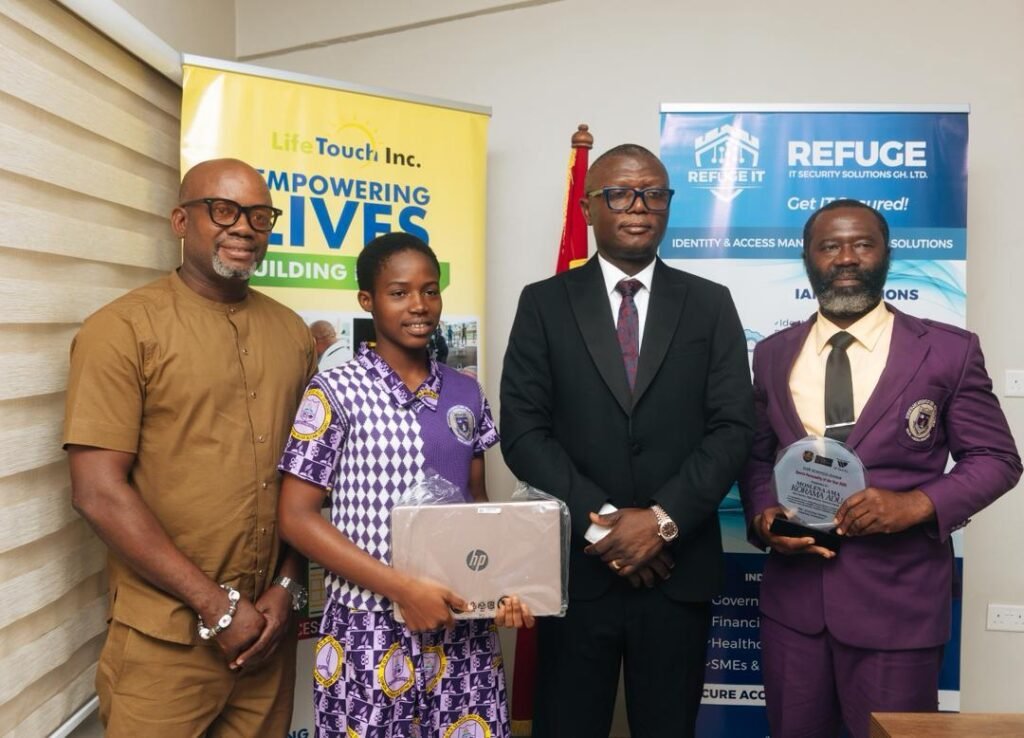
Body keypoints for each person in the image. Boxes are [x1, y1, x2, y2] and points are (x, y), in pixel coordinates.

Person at [738, 199, 1022, 738]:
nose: (846, 258)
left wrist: (918, 503)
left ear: (887, 254)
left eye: (862, 244)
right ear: (808, 258)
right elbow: (756, 457)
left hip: (899, 606)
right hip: (794, 609)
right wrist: (762, 517)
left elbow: (998, 459)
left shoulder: (946, 351)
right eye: (830, 246)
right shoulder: (771, 354)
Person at [500, 144, 755, 738]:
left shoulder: (710, 303)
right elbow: (524, 430)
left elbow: (732, 427)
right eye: (619, 193)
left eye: (654, 194)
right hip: (578, 571)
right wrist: (609, 526)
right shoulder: (543, 303)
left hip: (678, 568)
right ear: (589, 207)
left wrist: (662, 522)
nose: (638, 207)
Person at [62, 158, 318, 736]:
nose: (245, 227)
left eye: (259, 215)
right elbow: (97, 493)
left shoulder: (292, 333)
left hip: (266, 641)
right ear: (181, 221)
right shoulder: (121, 331)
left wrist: (287, 585)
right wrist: (217, 606)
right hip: (164, 646)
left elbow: (309, 478)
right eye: (223, 210)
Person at [277, 232, 533, 738]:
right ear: (367, 301)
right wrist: (403, 588)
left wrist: (499, 588)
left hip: (462, 631)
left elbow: (476, 508)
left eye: (430, 290)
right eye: (399, 292)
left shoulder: (466, 390)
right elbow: (295, 517)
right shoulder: (334, 391)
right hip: (369, 628)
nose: (419, 305)